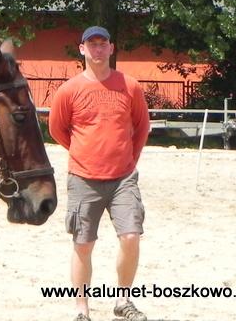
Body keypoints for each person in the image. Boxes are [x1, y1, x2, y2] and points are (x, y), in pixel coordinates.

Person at [49, 26, 151, 321]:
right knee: (83, 244)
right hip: (83, 179)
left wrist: (130, 158)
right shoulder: (69, 90)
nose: (97, 49)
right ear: (82, 49)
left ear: (111, 48)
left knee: (131, 236)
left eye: (102, 43)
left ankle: (123, 301)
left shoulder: (129, 86)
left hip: (123, 179)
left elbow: (142, 127)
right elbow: (56, 129)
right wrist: (84, 153)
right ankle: (81, 309)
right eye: (91, 44)